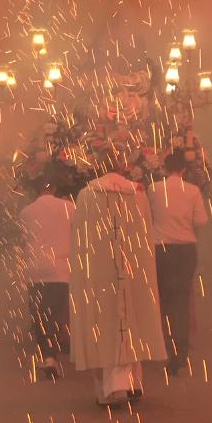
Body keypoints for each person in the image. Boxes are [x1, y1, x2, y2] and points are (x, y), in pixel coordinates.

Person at [69, 150, 166, 406]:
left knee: (103, 324)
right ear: (123, 168)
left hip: (99, 270)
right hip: (132, 265)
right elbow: (145, 234)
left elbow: (81, 238)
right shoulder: (137, 194)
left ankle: (107, 389)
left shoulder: (87, 195)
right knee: (131, 318)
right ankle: (133, 382)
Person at [148, 149, 209, 374]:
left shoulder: (154, 189)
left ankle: (167, 346)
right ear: (183, 169)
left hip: (161, 249)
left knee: (164, 300)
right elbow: (201, 221)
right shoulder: (192, 191)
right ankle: (181, 350)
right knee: (181, 299)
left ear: (164, 168)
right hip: (185, 250)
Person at [19, 165, 73, 379]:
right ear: (55, 188)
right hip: (60, 269)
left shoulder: (26, 212)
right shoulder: (69, 207)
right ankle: (54, 350)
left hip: (35, 269)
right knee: (56, 312)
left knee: (40, 314)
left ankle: (48, 356)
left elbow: (24, 240)